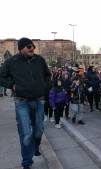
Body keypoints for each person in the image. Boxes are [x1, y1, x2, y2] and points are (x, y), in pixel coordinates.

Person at [0, 38, 51, 169]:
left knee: (39, 130)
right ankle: (27, 162)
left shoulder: (39, 60)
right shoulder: (12, 61)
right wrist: (12, 86)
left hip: (39, 100)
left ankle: (35, 148)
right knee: (26, 133)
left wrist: (44, 87)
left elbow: (47, 75)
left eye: (33, 46)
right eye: (29, 47)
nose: (32, 48)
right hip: (22, 101)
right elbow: (1, 77)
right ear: (21, 48)